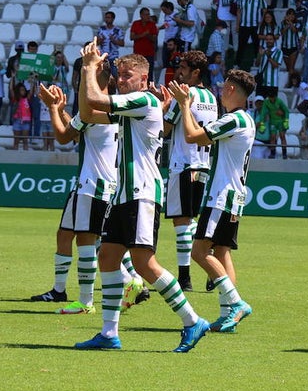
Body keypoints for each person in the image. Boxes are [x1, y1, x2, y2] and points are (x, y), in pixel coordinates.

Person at [74, 42, 210, 352]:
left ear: (144, 78)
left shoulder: (142, 101)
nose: (121, 80)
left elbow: (93, 99)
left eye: (127, 75)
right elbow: (86, 111)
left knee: (145, 264)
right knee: (107, 257)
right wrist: (90, 73)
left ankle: (192, 320)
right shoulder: (133, 107)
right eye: (119, 75)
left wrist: (88, 69)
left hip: (142, 193)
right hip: (125, 195)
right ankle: (109, 334)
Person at [168, 67, 257, 332]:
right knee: (221, 252)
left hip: (221, 196)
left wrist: (184, 105)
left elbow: (191, 136)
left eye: (223, 88)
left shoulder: (232, 119)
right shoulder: (245, 120)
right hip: (235, 195)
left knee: (198, 252)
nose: (219, 92)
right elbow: (201, 134)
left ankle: (236, 302)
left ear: (230, 89)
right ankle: (227, 314)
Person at [31, 69, 121, 313]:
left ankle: (87, 300)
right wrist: (60, 110)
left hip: (94, 184)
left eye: (84, 81)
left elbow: (63, 136)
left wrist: (52, 108)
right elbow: (78, 127)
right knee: (65, 234)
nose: (81, 84)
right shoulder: (110, 111)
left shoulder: (93, 112)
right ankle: (60, 291)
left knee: (87, 239)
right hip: (89, 183)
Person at [161, 51, 218, 291]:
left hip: (183, 163)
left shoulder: (186, 94)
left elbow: (164, 128)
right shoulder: (212, 98)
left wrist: (163, 104)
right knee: (189, 219)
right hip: (203, 164)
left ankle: (185, 277)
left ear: (196, 72)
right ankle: (211, 258)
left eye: (183, 68)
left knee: (182, 221)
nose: (179, 72)